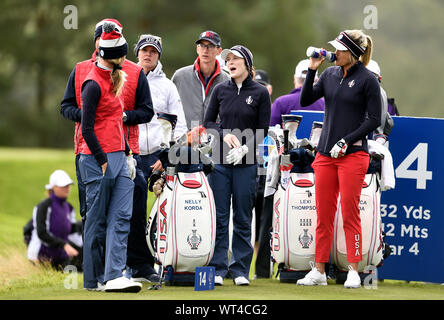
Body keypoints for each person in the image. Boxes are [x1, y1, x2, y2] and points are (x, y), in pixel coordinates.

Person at [297, 30, 381, 288]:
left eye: (340, 49)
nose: (335, 52)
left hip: (353, 156)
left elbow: (374, 120)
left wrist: (347, 140)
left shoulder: (368, 80)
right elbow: (306, 98)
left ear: (352, 54)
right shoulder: (330, 74)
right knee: (322, 213)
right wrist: (312, 69)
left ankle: (354, 270)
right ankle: (319, 270)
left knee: (350, 213)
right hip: (324, 154)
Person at [79, 23, 142, 292]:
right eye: (123, 55)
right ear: (112, 55)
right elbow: (86, 128)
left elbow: (117, 122)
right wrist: (103, 160)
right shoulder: (92, 83)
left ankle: (114, 274)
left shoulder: (114, 78)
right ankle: (94, 281)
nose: (125, 59)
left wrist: (127, 153)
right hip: (96, 160)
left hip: (120, 156)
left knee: (121, 216)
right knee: (96, 221)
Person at [204, 45, 271, 286]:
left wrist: (246, 147)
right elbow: (208, 122)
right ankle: (219, 268)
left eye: (235, 59)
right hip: (220, 162)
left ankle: (240, 269)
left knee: (243, 217)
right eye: (228, 59)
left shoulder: (261, 93)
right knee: (220, 217)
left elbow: (263, 128)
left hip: (247, 163)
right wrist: (223, 134)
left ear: (247, 64)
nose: (230, 62)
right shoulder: (220, 90)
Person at [127, 34, 187, 282]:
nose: (148, 54)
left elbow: (181, 126)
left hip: (157, 157)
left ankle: (154, 264)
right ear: (137, 52)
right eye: (144, 50)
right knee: (129, 212)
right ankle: (132, 265)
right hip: (130, 153)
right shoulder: (125, 79)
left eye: (153, 51)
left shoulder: (168, 86)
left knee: (158, 213)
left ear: (158, 55)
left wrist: (167, 155)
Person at [172, 30, 229, 130]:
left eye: (210, 46)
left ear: (219, 51)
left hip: (216, 140)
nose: (205, 50)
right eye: (202, 45)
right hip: (185, 140)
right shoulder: (180, 76)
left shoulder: (227, 81)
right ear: (197, 49)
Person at [27, 170, 83, 271]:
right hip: (40, 257)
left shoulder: (69, 208)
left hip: (61, 258)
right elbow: (42, 233)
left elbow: (71, 232)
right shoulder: (43, 206)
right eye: (63, 186)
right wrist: (64, 245)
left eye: (68, 185)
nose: (67, 188)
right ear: (53, 187)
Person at [270, 59, 325, 126]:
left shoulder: (280, 103)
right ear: (316, 80)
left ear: (294, 78)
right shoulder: (325, 104)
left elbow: (270, 131)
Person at [366, 59, 394, 145]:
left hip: (367, 140)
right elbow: (389, 122)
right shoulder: (381, 92)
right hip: (376, 140)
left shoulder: (375, 92)